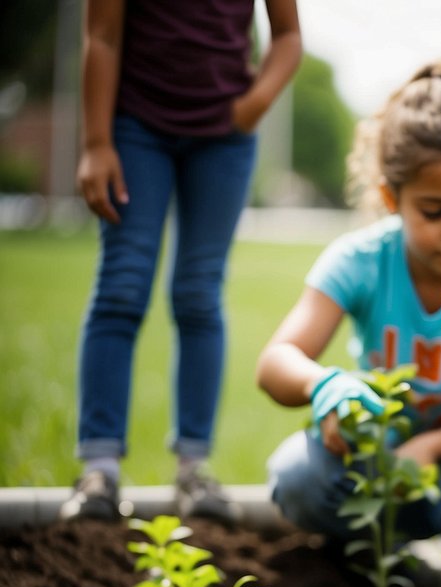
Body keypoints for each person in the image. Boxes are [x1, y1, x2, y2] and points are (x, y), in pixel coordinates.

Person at [256, 60, 441, 587]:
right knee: (296, 478)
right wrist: (325, 385)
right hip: (373, 464)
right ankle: (357, 551)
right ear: (392, 198)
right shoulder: (360, 261)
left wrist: (430, 448)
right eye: (435, 212)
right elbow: (276, 364)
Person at [60, 0, 302, 524]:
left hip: (224, 140)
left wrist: (253, 104)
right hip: (134, 129)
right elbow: (101, 36)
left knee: (199, 293)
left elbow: (287, 37)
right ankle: (99, 469)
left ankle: (194, 468)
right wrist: (97, 141)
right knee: (122, 286)